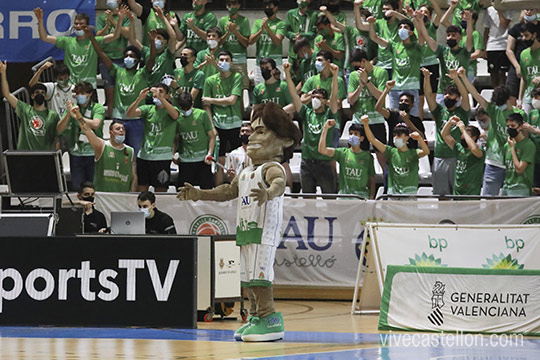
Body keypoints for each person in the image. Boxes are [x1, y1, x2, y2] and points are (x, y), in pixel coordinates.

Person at [178, 101, 302, 342]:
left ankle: (270, 319)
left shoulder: (272, 166)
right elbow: (227, 191)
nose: (252, 137)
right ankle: (255, 317)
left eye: (261, 131)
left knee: (259, 278)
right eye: (252, 130)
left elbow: (279, 183)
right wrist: (199, 193)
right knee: (247, 278)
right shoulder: (246, 171)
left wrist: (268, 193)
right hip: (246, 231)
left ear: (284, 141)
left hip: (263, 232)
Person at [89, 19, 157, 156]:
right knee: (116, 154)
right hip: (119, 120)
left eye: (131, 56)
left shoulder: (142, 74)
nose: (128, 58)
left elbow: (151, 59)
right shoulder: (117, 71)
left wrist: (152, 43)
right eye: (126, 56)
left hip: (136, 121)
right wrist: (91, 37)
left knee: (134, 155)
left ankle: (134, 177)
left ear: (137, 60)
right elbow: (101, 54)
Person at [458, 68, 528, 196]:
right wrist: (463, 78)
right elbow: (476, 95)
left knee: (511, 204)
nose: (499, 106)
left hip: (512, 164)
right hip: (493, 164)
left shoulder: (520, 114)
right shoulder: (493, 110)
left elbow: (525, 139)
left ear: (509, 99)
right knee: (488, 201)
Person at [285, 61, 340, 194]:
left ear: (324, 100)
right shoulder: (307, 112)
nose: (315, 99)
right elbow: (294, 95)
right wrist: (287, 73)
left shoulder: (329, 114)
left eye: (318, 97)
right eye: (313, 96)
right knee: (308, 199)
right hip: (307, 162)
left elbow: (334, 97)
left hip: (324, 162)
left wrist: (335, 76)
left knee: (329, 198)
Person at [34, 8, 122, 88]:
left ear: (87, 26)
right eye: (76, 24)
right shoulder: (67, 41)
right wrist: (40, 20)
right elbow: (44, 37)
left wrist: (119, 19)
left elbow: (115, 35)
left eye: (81, 24)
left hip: (88, 87)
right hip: (71, 87)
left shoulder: (94, 41)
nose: (78, 26)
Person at [422, 67, 470, 196]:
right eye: (446, 94)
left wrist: (456, 79)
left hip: (457, 156)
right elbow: (428, 95)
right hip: (439, 156)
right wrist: (426, 78)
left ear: (457, 98)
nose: (447, 96)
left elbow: (465, 94)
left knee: (457, 194)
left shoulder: (463, 112)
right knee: (441, 195)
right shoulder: (439, 112)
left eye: (451, 94)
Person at [126, 84, 179, 193]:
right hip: (144, 157)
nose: (157, 94)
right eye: (155, 92)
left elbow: (175, 115)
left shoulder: (172, 109)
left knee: (160, 190)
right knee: (141, 189)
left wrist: (161, 98)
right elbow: (129, 114)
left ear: (168, 95)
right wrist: (139, 99)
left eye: (161, 91)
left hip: (162, 158)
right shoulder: (148, 109)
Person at [368, 15, 424, 117]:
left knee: (413, 118)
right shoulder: (394, 45)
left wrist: (419, 21)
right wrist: (371, 24)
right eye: (400, 27)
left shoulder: (416, 47)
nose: (402, 29)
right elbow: (374, 37)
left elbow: (421, 36)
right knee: (394, 118)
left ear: (411, 32)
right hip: (395, 88)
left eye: (405, 27)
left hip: (411, 88)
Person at [202, 50, 243, 185]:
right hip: (218, 126)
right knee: (219, 161)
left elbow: (232, 100)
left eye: (226, 60)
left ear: (231, 62)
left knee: (237, 159)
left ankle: (237, 189)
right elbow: (205, 105)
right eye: (221, 60)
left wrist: (211, 99)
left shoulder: (237, 77)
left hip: (235, 124)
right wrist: (212, 126)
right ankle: (219, 192)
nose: (223, 62)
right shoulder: (210, 81)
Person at [416, 8, 473, 104]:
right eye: (448, 35)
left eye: (454, 35)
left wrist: (469, 22)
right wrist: (420, 21)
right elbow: (427, 37)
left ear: (460, 38)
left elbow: (469, 36)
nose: (450, 37)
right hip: (442, 92)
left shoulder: (465, 51)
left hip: (460, 92)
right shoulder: (442, 51)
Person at [362, 116, 430, 195]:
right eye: (394, 135)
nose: (395, 138)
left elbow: (426, 151)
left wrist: (419, 139)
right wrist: (365, 124)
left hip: (409, 195)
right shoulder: (390, 152)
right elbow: (372, 140)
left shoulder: (413, 153)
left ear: (407, 138)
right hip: (393, 194)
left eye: (399, 135)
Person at [0, 61, 59, 150]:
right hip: (25, 155)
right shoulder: (25, 109)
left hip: (45, 156)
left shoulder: (53, 115)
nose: (40, 94)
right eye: (37, 92)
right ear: (32, 96)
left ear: (46, 96)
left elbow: (57, 136)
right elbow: (7, 94)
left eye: (42, 93)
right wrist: (3, 74)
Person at [57, 82, 105, 191]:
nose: (79, 96)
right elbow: (59, 129)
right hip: (76, 153)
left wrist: (78, 117)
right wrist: (69, 114)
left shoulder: (97, 108)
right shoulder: (72, 108)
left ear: (90, 94)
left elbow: (96, 124)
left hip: (93, 153)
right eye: (77, 93)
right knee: (77, 186)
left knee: (94, 186)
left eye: (82, 93)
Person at [348, 48, 388, 168]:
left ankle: (388, 182)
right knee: (359, 156)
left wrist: (368, 83)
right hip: (359, 121)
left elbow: (381, 96)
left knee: (381, 154)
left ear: (364, 61)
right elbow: (350, 100)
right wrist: (360, 86)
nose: (356, 70)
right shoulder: (353, 76)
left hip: (376, 121)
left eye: (357, 67)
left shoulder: (381, 73)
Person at [318, 119, 375, 199]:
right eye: (351, 134)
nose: (352, 136)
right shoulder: (342, 153)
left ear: (361, 138)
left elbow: (371, 179)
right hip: (344, 196)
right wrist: (325, 128)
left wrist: (371, 197)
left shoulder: (368, 157)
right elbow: (322, 150)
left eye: (356, 134)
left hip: (361, 197)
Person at [77, 117, 137, 193]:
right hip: (103, 196)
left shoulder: (130, 151)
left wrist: (132, 195)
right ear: (110, 132)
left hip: (122, 197)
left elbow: (134, 177)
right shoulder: (102, 146)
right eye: (118, 129)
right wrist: (78, 116)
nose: (121, 131)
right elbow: (87, 130)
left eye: (123, 129)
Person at [174, 91, 216, 190]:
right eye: (183, 108)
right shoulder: (177, 117)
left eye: (187, 108)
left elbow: (212, 136)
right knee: (183, 192)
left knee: (207, 190)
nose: (185, 110)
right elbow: (176, 139)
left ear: (192, 103)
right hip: (185, 161)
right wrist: (173, 154)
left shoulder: (202, 114)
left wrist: (209, 153)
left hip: (202, 160)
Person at [127, 7, 177, 89]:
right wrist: (132, 22)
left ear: (166, 41)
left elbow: (173, 37)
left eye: (159, 38)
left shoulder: (168, 54)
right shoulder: (147, 51)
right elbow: (132, 39)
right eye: (155, 37)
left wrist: (163, 18)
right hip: (149, 90)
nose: (156, 40)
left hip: (163, 91)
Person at [96, 0, 131, 118]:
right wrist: (107, 23)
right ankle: (111, 121)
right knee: (109, 93)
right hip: (106, 59)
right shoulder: (101, 17)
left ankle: (120, 119)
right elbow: (98, 36)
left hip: (121, 59)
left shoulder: (124, 16)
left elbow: (127, 34)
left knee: (120, 92)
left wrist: (113, 20)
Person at [441, 116, 485, 195]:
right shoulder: (459, 148)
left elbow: (474, 148)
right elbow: (444, 135)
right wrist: (450, 122)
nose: (462, 136)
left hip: (471, 193)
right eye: (462, 134)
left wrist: (463, 130)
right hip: (457, 191)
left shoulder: (480, 151)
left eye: (465, 135)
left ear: (474, 138)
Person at [506, 10, 539, 105]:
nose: (528, 12)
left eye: (531, 9)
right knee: (511, 92)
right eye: (522, 36)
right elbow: (509, 49)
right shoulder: (516, 28)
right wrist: (517, 66)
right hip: (519, 63)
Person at [250, 0, 286, 85]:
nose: (267, 8)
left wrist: (268, 28)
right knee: (259, 89)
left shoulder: (281, 23)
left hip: (276, 63)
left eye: (269, 5)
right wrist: (261, 30)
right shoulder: (258, 22)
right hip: (260, 63)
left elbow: (277, 42)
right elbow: (251, 41)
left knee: (277, 89)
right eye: (265, 6)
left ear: (276, 8)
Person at [219, 0, 251, 89]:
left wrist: (235, 31)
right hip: (226, 60)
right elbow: (219, 42)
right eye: (229, 4)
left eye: (234, 4)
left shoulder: (244, 20)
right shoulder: (222, 21)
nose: (231, 6)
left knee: (243, 86)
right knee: (226, 86)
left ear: (238, 5)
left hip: (240, 60)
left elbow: (246, 43)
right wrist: (228, 33)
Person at [502, 113, 536, 196]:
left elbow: (519, 170)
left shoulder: (528, 145)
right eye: (508, 126)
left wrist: (513, 148)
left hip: (520, 187)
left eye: (513, 126)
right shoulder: (506, 146)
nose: (510, 129)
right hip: (506, 187)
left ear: (520, 126)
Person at [483, 4, 513, 88]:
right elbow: (486, 30)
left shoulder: (507, 9)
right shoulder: (489, 10)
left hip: (503, 45)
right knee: (493, 72)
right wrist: (485, 48)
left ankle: (502, 93)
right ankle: (495, 94)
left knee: (502, 72)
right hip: (492, 45)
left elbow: (504, 24)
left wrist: (499, 9)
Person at [285, 0, 317, 68]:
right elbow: (286, 31)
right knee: (292, 74)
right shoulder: (290, 13)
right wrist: (292, 35)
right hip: (293, 52)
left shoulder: (313, 15)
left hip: (306, 52)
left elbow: (313, 33)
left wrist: (301, 35)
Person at [518, 22, 540, 114]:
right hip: (528, 97)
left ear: (534, 35)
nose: (524, 39)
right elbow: (523, 78)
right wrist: (520, 98)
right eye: (522, 36)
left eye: (526, 35)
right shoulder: (523, 54)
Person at [526, 87, 540, 187]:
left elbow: (533, 130)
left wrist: (534, 131)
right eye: (532, 97)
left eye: (536, 97)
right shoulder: (532, 114)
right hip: (535, 159)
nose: (534, 100)